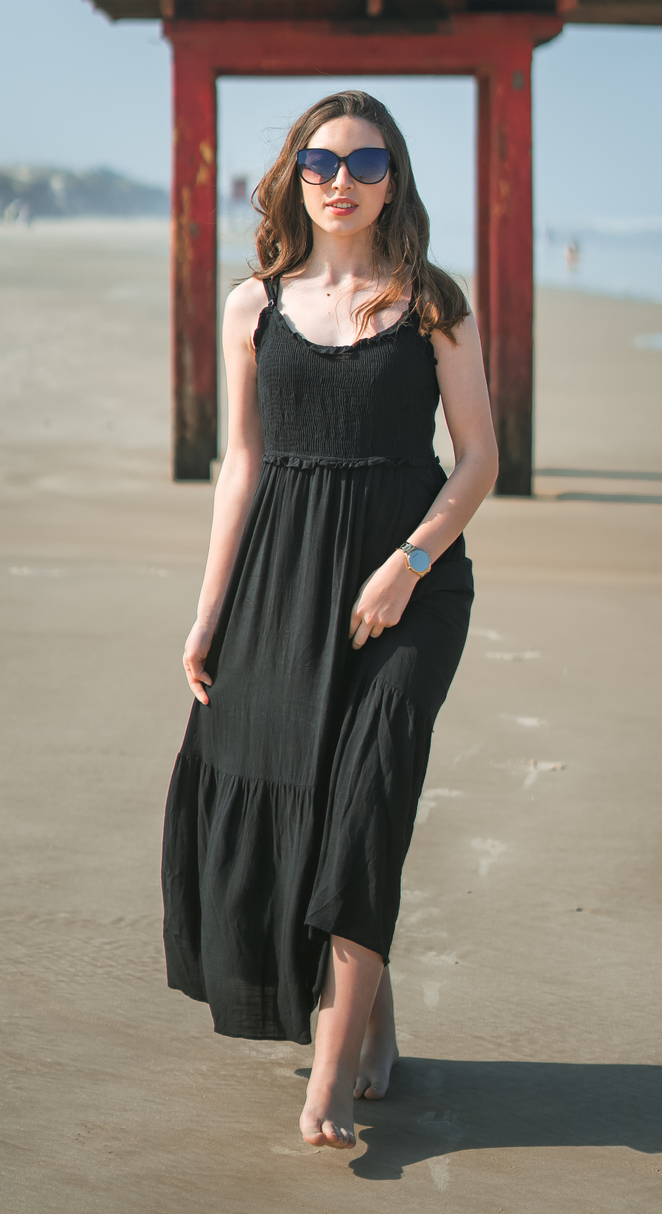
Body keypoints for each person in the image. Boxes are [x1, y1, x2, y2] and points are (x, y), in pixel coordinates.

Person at [161, 90, 498, 1150]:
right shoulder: (252, 306)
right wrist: (209, 612)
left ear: (393, 178)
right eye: (320, 161)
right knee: (306, 792)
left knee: (371, 795)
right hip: (285, 578)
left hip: (413, 588)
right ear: (295, 176)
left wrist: (408, 563)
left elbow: (482, 459)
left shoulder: (434, 300)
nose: (340, 179)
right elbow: (243, 463)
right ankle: (371, 1014)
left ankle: (331, 1071)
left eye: (365, 160)